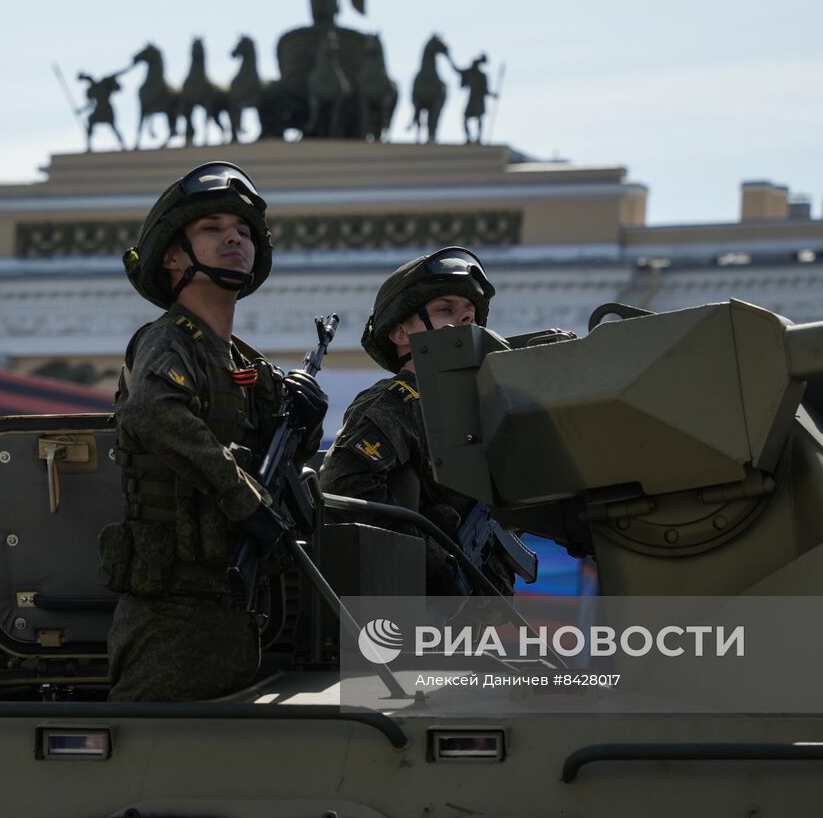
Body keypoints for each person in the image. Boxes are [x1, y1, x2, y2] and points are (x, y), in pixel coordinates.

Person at [99, 161, 327, 701]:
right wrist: (244, 497)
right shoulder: (166, 341)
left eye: (244, 231)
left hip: (236, 604)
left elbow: (287, 456)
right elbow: (154, 414)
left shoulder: (246, 365)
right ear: (173, 256)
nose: (234, 238)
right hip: (171, 610)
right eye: (212, 228)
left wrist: (307, 419)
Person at [319, 246, 525, 596]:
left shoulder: (475, 409)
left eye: (469, 313)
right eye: (445, 309)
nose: (463, 320)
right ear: (401, 334)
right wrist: (437, 563)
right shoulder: (396, 401)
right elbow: (344, 484)